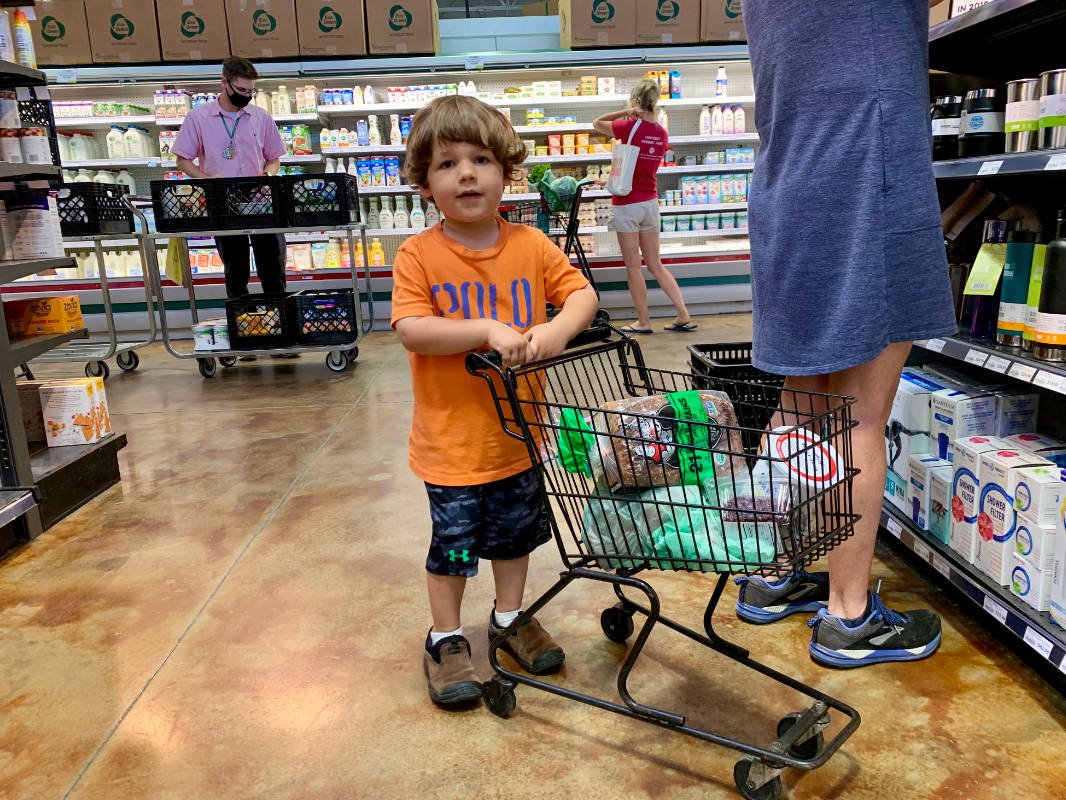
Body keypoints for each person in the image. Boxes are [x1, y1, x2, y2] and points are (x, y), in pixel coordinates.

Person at [734, 1, 957, 668]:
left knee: (801, 401)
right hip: (867, 171)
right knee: (861, 414)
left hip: (789, 177)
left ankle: (773, 573)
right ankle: (849, 614)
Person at [391, 95, 599, 705]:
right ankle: (446, 638)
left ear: (506, 172)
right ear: (424, 184)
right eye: (447, 163)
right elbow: (413, 330)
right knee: (454, 549)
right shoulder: (418, 254)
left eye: (480, 159)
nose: (466, 174)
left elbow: (581, 295)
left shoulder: (531, 244)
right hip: (452, 445)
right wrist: (486, 328)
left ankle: (509, 618)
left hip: (518, 437)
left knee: (514, 540)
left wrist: (558, 330)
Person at [172, 57, 287, 303]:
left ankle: (279, 315)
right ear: (224, 83)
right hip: (223, 201)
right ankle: (242, 317)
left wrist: (268, 175)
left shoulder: (261, 117)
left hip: (260, 200)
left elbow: (274, 158)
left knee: (272, 267)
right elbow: (182, 160)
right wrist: (207, 180)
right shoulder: (198, 118)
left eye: (251, 91)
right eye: (242, 90)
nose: (247, 96)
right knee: (235, 270)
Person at [594, 78, 696, 334]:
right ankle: (683, 314)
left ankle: (643, 321)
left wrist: (625, 113)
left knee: (633, 266)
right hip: (650, 203)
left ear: (636, 100)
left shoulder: (629, 127)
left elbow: (597, 123)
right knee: (655, 264)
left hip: (627, 203)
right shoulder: (661, 132)